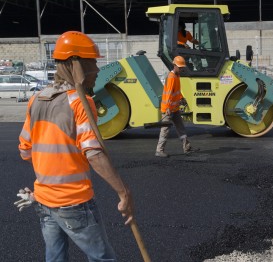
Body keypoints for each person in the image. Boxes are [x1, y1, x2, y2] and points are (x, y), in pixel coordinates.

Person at [16, 31, 134, 261]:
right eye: (93, 63)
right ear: (76, 64)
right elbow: (94, 154)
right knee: (103, 259)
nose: (98, 70)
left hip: (43, 200)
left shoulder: (36, 99)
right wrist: (123, 192)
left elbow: (25, 150)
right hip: (74, 203)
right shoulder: (80, 102)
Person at [155, 55, 198, 157]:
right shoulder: (171, 77)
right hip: (168, 109)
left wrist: (181, 98)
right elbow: (169, 93)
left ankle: (187, 147)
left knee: (181, 128)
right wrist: (169, 108)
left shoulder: (177, 76)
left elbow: (177, 91)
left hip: (175, 109)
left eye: (182, 67)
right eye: (180, 67)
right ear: (174, 65)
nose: (182, 69)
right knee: (165, 130)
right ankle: (159, 150)